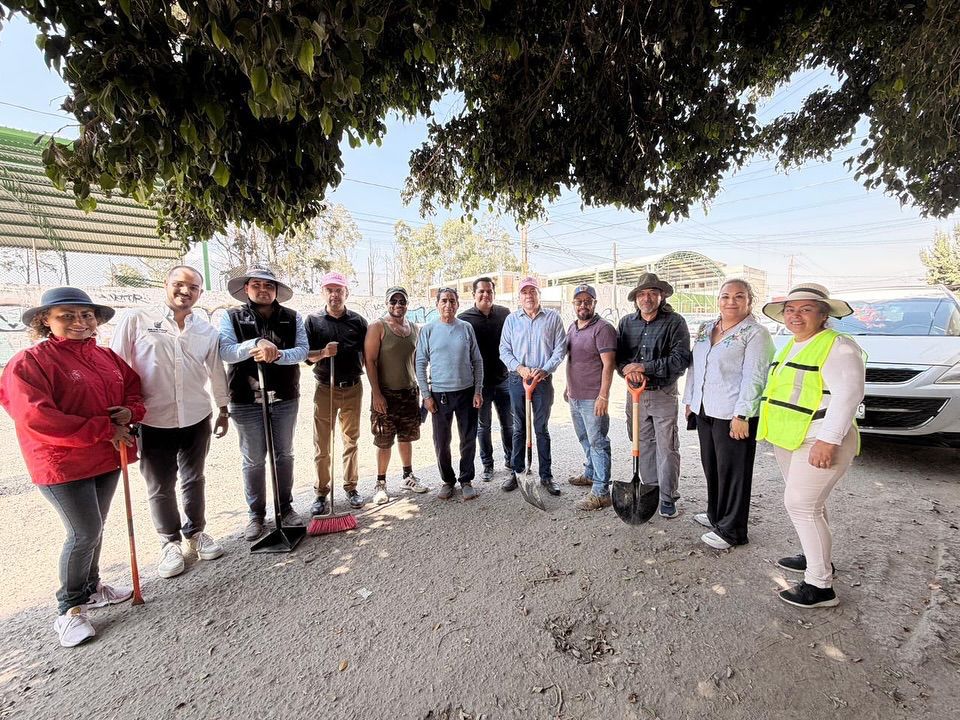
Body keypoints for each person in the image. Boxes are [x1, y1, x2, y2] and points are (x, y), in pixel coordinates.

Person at [0, 288, 144, 648]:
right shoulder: (29, 362)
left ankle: (91, 588)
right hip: (61, 463)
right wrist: (104, 429)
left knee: (95, 528)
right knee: (83, 532)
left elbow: (132, 390)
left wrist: (130, 413)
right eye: (67, 315)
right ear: (44, 321)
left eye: (86, 315)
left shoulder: (106, 356)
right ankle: (69, 608)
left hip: (106, 455)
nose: (80, 322)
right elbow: (36, 417)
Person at [111, 266, 230, 579]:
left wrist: (223, 408)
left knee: (194, 478)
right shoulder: (137, 320)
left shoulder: (206, 331)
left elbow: (216, 370)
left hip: (195, 415)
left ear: (200, 294)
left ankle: (196, 533)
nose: (185, 291)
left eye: (193, 287)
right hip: (152, 418)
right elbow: (116, 367)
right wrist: (119, 415)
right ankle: (169, 542)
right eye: (179, 284)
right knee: (160, 485)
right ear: (166, 285)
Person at [758, 283, 865, 608]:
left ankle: (820, 586)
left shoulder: (838, 346)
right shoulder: (791, 345)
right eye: (790, 309)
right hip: (791, 438)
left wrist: (828, 440)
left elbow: (849, 395)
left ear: (823, 314)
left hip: (818, 439)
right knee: (812, 505)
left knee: (801, 505)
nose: (796, 315)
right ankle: (816, 557)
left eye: (805, 309)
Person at [682, 279, 774, 549]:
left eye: (739, 296)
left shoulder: (755, 333)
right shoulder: (706, 328)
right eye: (725, 296)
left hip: (733, 413)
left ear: (749, 301)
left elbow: (755, 376)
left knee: (734, 472)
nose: (731, 301)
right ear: (718, 300)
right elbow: (694, 366)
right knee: (711, 465)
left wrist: (743, 414)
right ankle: (715, 515)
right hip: (704, 408)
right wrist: (689, 399)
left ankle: (733, 530)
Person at [219, 266, 309, 541]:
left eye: (268, 286)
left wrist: (277, 354)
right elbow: (226, 351)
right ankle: (256, 515)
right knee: (253, 459)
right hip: (246, 399)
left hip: (284, 397)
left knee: (284, 455)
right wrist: (255, 344)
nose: (263, 290)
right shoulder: (232, 316)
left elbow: (302, 350)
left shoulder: (292, 318)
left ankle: (286, 507)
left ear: (276, 290)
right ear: (246, 289)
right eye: (256, 285)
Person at [616, 272, 691, 518]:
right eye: (641, 294)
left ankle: (668, 497)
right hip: (635, 394)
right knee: (643, 444)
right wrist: (628, 370)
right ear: (636, 298)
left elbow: (680, 361)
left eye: (651, 293)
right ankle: (649, 492)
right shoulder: (627, 322)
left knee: (667, 447)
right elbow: (619, 358)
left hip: (663, 392)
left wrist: (644, 368)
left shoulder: (675, 322)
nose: (646, 298)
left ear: (661, 295)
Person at [304, 272, 369, 514]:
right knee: (322, 443)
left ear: (346, 293)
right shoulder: (312, 321)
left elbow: (368, 354)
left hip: (352, 387)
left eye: (339, 290)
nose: (334, 294)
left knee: (351, 440)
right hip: (324, 388)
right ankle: (321, 492)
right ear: (323, 293)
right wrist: (322, 353)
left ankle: (351, 487)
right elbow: (304, 355)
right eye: (329, 289)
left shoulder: (358, 322)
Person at [499, 276, 566, 495]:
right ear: (519, 297)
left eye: (533, 291)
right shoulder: (511, 320)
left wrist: (545, 369)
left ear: (539, 294)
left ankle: (546, 476)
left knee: (541, 428)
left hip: (543, 381)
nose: (529, 295)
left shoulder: (553, 319)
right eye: (525, 292)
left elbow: (560, 349)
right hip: (518, 380)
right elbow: (504, 350)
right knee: (519, 428)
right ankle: (517, 472)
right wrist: (519, 368)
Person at [416, 288, 484, 500]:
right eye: (444, 301)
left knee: (468, 439)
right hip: (439, 395)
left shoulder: (466, 328)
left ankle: (466, 479)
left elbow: (477, 361)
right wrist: (426, 395)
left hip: (466, 392)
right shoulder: (428, 330)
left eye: (452, 301)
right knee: (441, 441)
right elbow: (420, 363)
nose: (448, 305)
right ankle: (447, 480)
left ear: (457, 304)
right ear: (437, 304)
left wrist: (478, 390)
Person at [364, 286, 428, 503]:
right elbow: (370, 361)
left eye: (402, 301)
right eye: (393, 301)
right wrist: (376, 394)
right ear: (387, 303)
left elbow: (419, 361)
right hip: (386, 394)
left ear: (407, 304)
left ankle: (408, 476)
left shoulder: (415, 329)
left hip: (409, 392)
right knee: (384, 439)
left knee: (406, 436)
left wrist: (423, 389)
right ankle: (380, 483)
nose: (398, 305)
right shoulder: (377, 327)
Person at [564, 284, 618, 510]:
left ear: (595, 303)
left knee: (598, 442)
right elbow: (572, 360)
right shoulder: (573, 327)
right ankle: (591, 473)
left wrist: (603, 396)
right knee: (585, 438)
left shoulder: (603, 329)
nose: (583, 305)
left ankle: (601, 491)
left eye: (588, 301)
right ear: (574, 304)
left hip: (593, 398)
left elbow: (609, 365)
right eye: (579, 301)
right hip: (575, 395)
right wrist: (568, 387)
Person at [459, 277, 513, 482]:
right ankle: (488, 465)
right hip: (479, 385)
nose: (485, 295)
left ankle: (510, 460)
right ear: (474, 294)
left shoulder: (504, 314)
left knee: (508, 424)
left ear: (494, 294)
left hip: (504, 379)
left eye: (489, 291)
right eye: (481, 291)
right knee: (484, 426)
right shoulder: (465, 319)